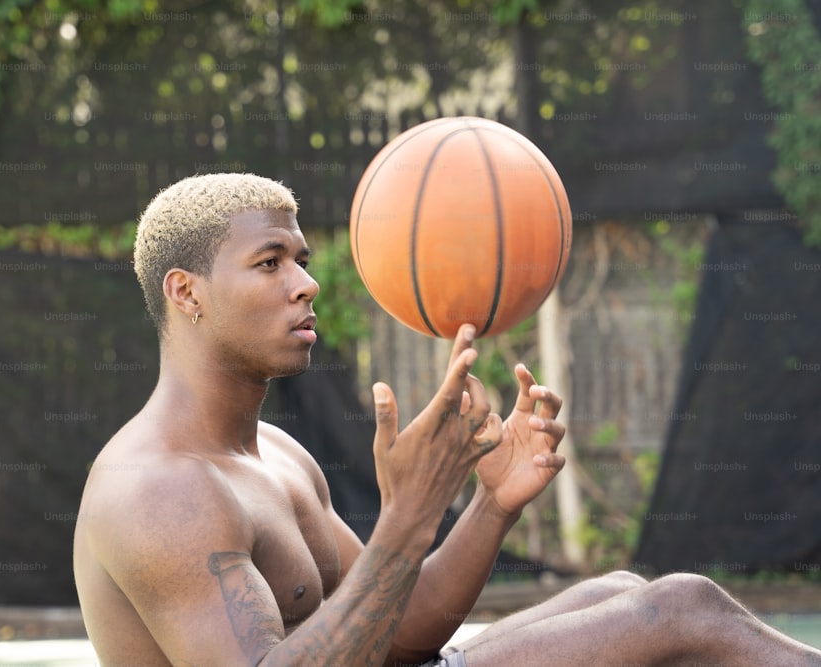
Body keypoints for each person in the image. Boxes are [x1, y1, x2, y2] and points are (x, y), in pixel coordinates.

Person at [73, 173, 821, 667]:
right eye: (270, 263)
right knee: (679, 607)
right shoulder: (158, 490)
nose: (307, 283)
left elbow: (392, 629)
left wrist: (489, 504)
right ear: (186, 291)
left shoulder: (274, 452)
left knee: (617, 587)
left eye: (301, 259)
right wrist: (408, 515)